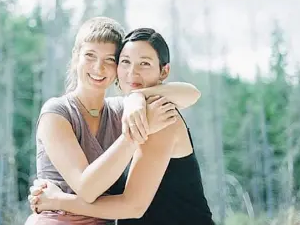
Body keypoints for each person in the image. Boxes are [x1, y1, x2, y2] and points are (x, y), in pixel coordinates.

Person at [25, 17, 202, 225]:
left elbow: (191, 94)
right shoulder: (57, 113)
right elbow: (87, 188)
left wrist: (138, 96)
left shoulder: (123, 109)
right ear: (76, 58)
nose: (99, 68)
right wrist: (134, 135)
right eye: (90, 56)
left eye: (110, 59)